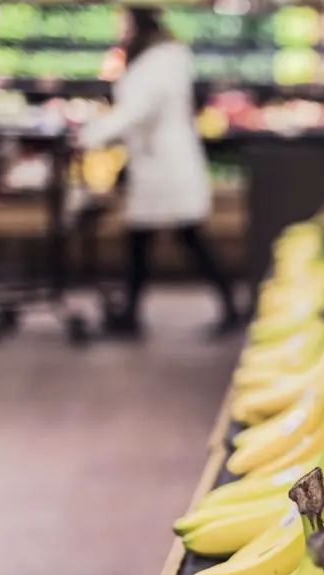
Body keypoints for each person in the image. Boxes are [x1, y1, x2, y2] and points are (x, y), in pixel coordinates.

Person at [76, 7, 241, 339]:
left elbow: (138, 110)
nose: (119, 30)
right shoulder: (160, 59)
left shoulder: (160, 61)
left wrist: (93, 133)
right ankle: (132, 313)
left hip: (166, 165)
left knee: (185, 237)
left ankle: (228, 307)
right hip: (154, 164)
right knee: (143, 239)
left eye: (124, 23)